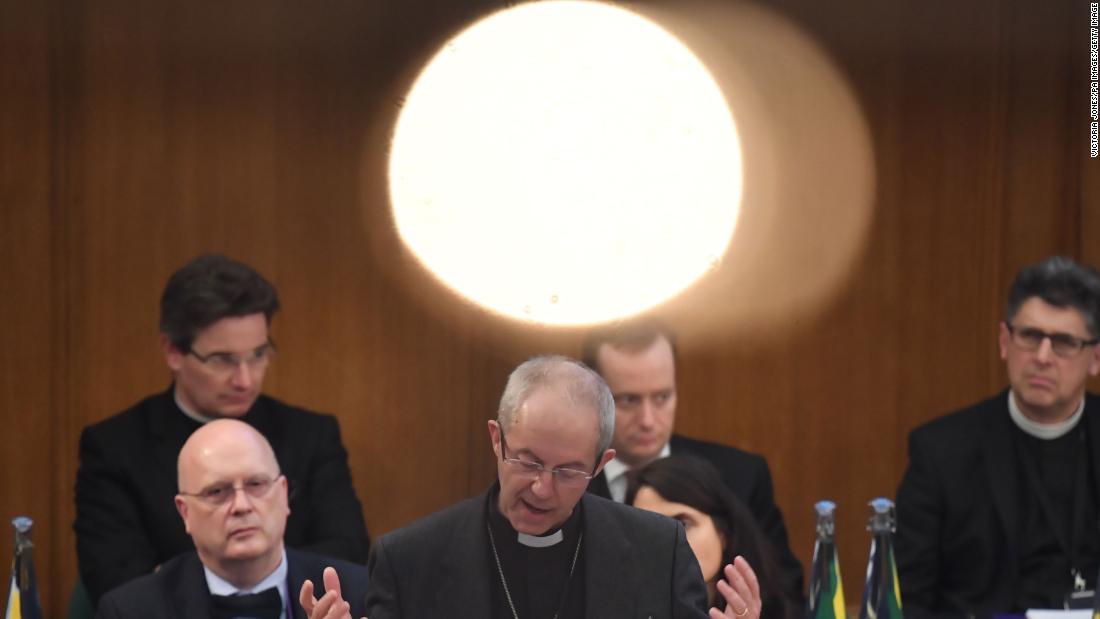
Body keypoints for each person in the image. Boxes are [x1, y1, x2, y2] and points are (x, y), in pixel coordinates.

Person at [300, 355, 763, 619]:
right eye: (528, 461)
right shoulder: (408, 561)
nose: (542, 488)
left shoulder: (659, 553)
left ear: (601, 465)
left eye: (567, 471)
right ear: (496, 439)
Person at [76, 254, 369, 606]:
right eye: (223, 360)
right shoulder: (116, 447)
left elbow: (346, 554)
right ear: (172, 351)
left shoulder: (310, 435)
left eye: (258, 354)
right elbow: (118, 579)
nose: (245, 379)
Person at [896, 256, 1100, 617]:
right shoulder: (941, 453)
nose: (1042, 356)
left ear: (1096, 358)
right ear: (1005, 341)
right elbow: (907, 602)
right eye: (1030, 336)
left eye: (1064, 343)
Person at [580, 321, 804, 601]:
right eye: (628, 400)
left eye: (662, 397)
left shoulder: (740, 477)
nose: (648, 420)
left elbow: (787, 597)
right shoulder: (567, 483)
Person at [96, 419, 369, 617]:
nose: (241, 506)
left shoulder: (360, 593)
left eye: (256, 484)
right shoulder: (130, 611)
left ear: (283, 494)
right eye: (217, 491)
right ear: (185, 512)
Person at [631, 455, 798, 619]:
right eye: (648, 527)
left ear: (723, 534)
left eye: (682, 524)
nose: (666, 542)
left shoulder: (775, 609)